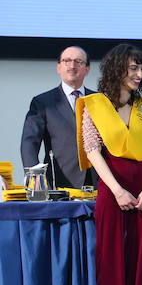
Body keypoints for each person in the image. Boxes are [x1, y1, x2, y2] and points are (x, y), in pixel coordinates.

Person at [75, 44, 142, 285]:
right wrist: (116, 190)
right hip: (112, 191)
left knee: (140, 265)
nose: (138, 75)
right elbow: (93, 151)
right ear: (116, 70)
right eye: (132, 68)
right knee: (111, 264)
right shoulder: (94, 105)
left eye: (141, 69)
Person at [21, 46, 95, 189]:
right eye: (66, 61)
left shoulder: (99, 100)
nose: (72, 65)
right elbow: (29, 142)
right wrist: (35, 177)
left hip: (97, 181)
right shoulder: (43, 102)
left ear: (87, 69)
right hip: (60, 182)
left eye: (78, 61)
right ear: (58, 67)